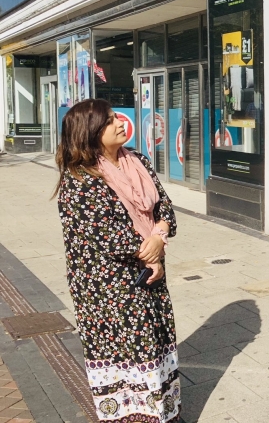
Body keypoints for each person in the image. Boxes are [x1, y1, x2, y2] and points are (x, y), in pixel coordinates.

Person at [54, 99, 180, 422]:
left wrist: (159, 234)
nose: (120, 123)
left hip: (149, 279)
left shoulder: (137, 161)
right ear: (92, 133)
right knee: (125, 365)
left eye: (116, 118)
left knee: (154, 353)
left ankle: (161, 414)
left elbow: (164, 207)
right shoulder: (79, 181)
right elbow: (110, 236)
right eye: (110, 121)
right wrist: (151, 249)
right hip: (109, 294)